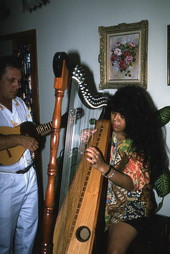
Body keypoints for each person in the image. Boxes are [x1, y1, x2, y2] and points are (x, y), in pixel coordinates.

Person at [85, 86, 169, 254]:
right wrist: (86, 141)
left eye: (123, 116)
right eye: (114, 113)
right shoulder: (106, 133)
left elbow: (130, 184)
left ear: (135, 117)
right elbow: (90, 160)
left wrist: (104, 167)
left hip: (132, 206)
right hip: (105, 200)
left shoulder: (141, 144)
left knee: (114, 251)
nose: (116, 119)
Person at [0, 55, 39, 254]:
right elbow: (17, 139)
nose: (17, 85)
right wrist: (18, 140)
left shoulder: (21, 104)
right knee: (3, 240)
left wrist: (57, 125)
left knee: (28, 234)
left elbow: (30, 133)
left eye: (19, 81)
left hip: (30, 176)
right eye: (11, 80)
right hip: (6, 181)